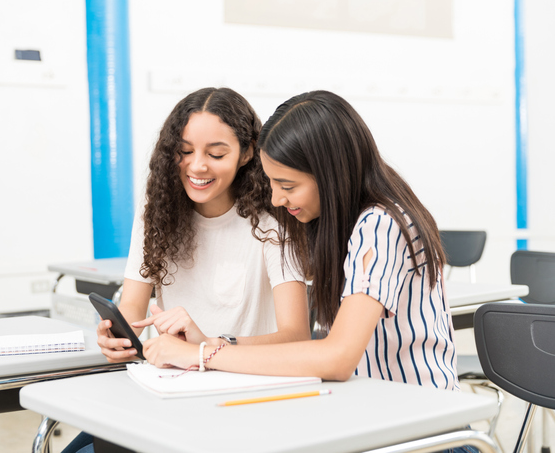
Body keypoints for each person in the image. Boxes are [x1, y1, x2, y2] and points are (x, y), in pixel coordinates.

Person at [143, 90, 459, 392]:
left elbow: (337, 358)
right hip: (368, 413)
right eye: (272, 183)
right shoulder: (336, 224)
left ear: (330, 175)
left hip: (425, 431)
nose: (277, 199)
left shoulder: (380, 224)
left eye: (288, 186)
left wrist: (201, 357)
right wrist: (211, 344)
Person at [63, 87, 310, 453]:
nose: (197, 166)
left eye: (216, 153)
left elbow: (297, 337)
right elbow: (130, 312)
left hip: (238, 397)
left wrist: (207, 345)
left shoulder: (273, 223)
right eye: (185, 151)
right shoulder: (158, 214)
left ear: (246, 154)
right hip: (165, 389)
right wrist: (114, 338)